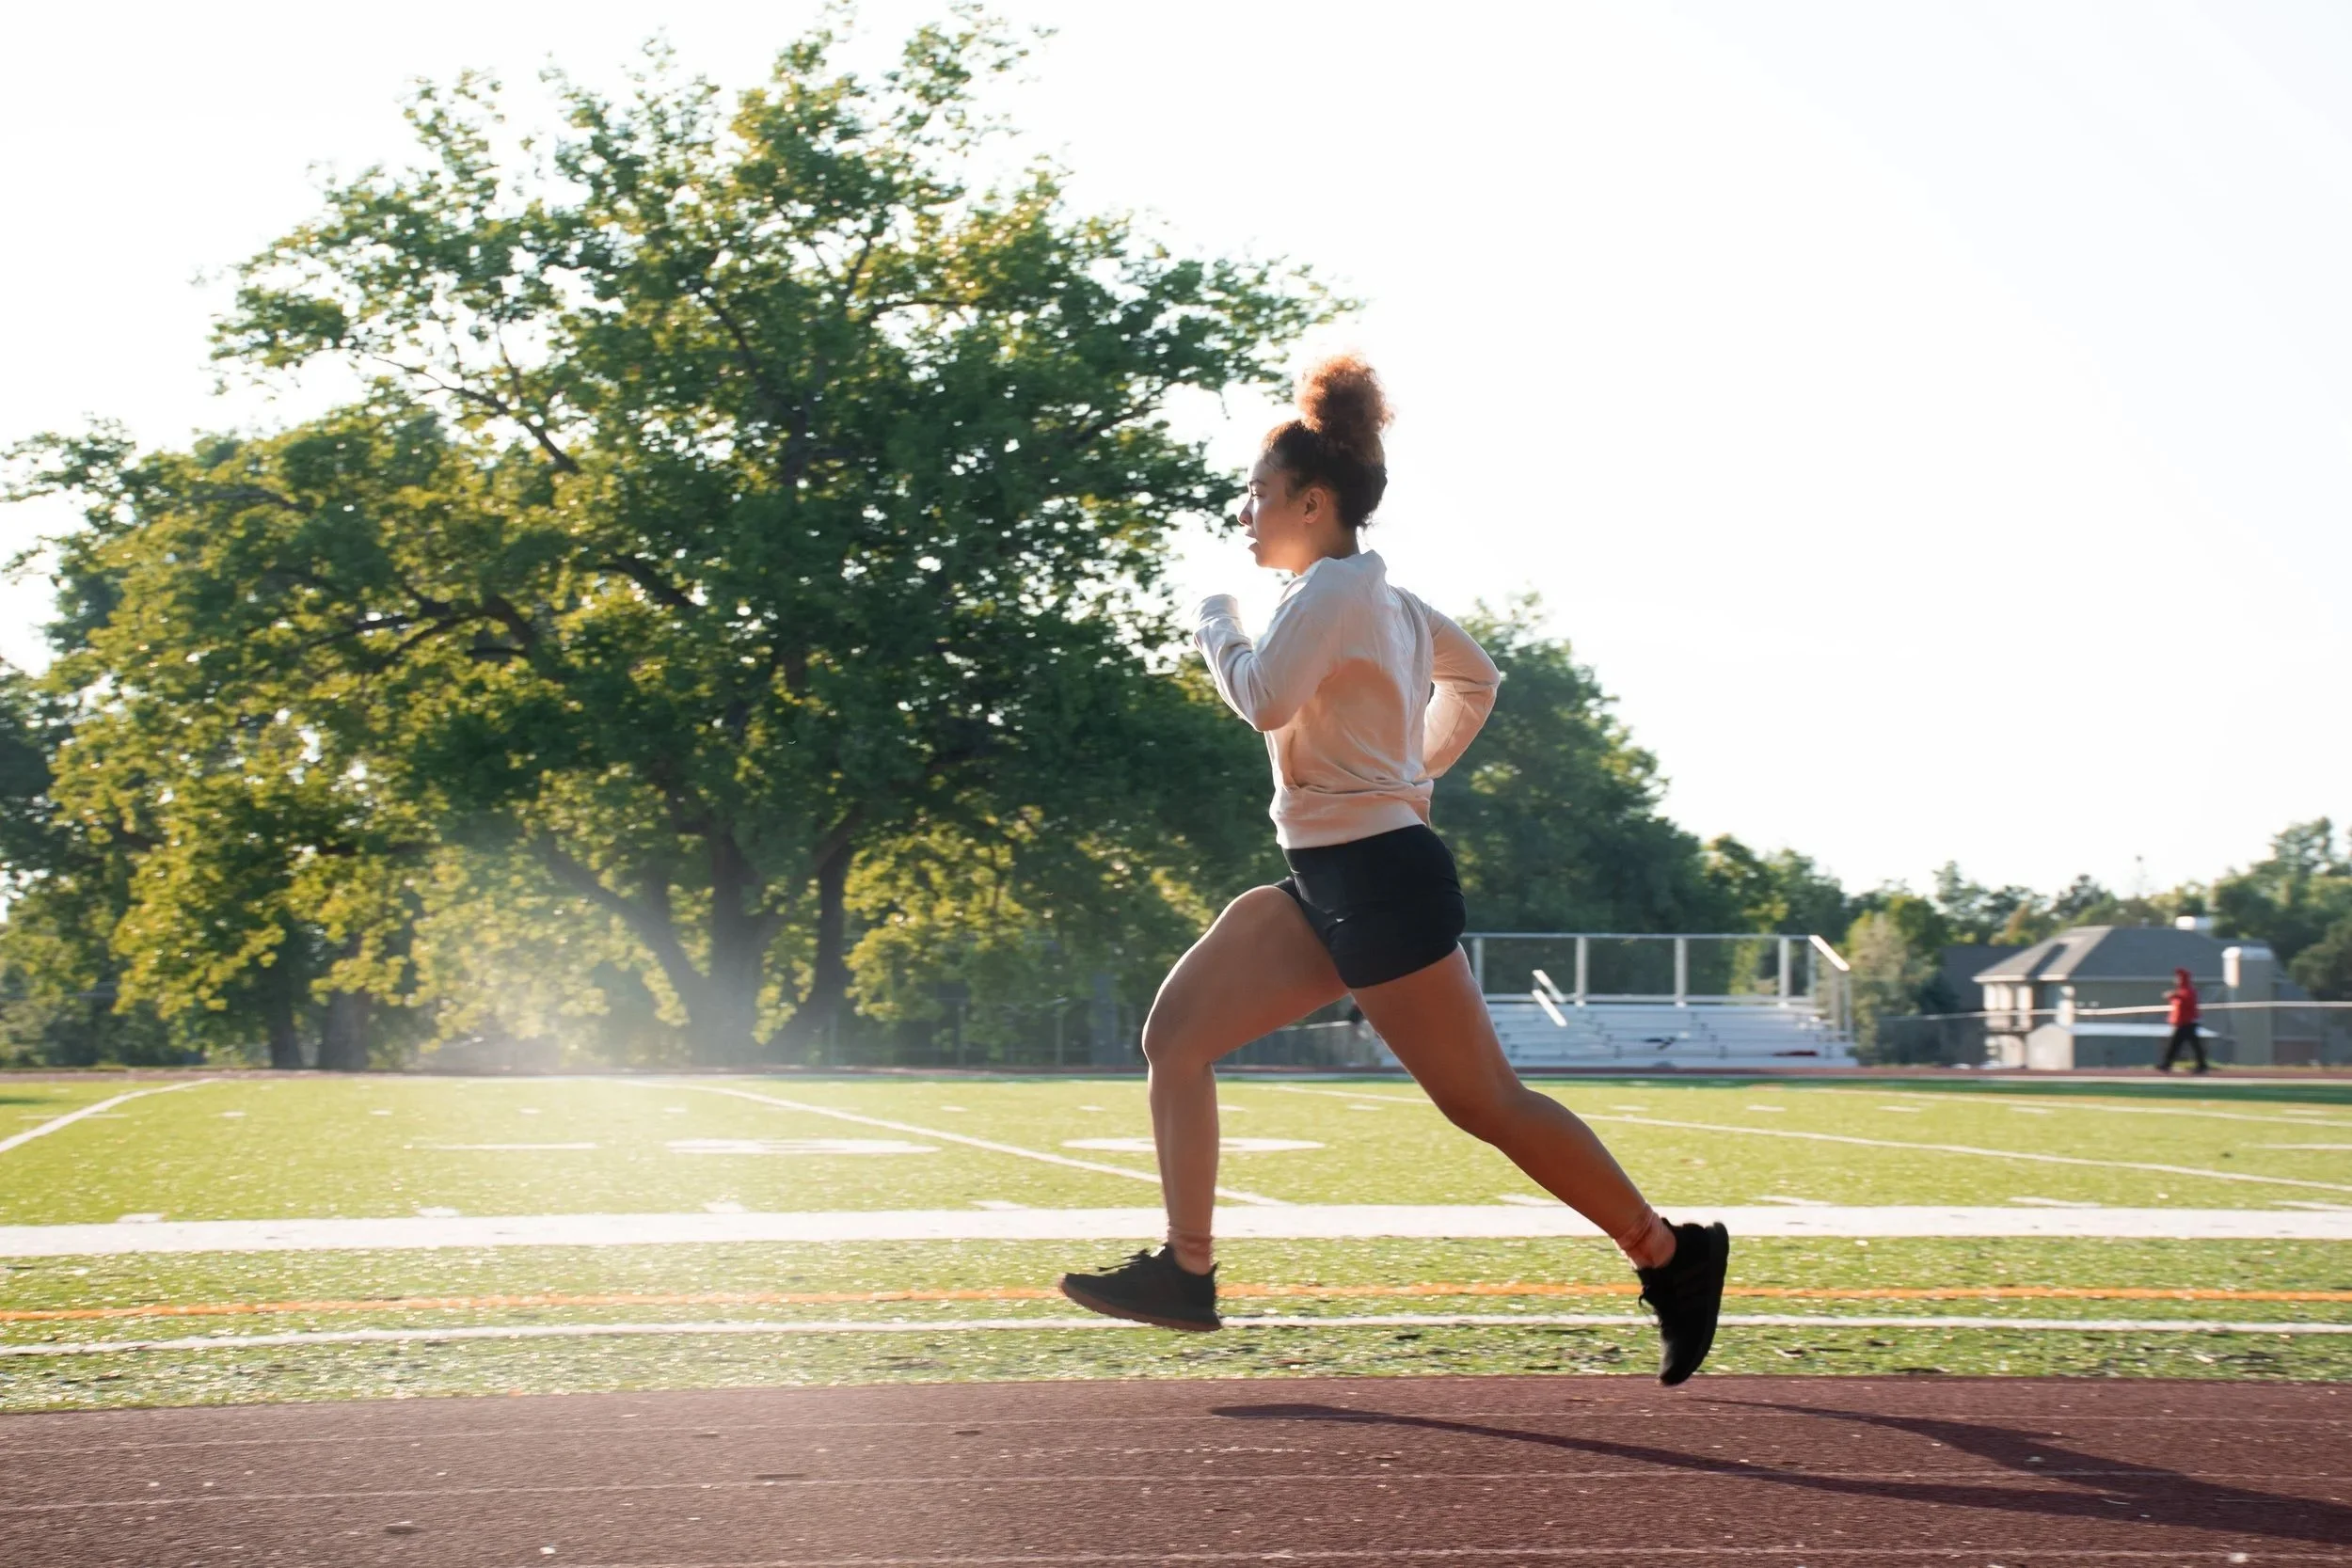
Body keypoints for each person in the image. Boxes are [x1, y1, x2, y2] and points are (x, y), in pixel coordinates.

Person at [1057, 356, 1729, 1386]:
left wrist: (1215, 624)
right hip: (1333, 876)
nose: (1244, 511)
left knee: (1486, 1103)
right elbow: (1477, 678)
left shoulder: (1333, 590)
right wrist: (1411, 771)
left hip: (1376, 879)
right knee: (1176, 1038)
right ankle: (1185, 1270)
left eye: (1258, 492)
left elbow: (1265, 697)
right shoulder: (1386, 601)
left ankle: (1668, 1253)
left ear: (1311, 502)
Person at [2157, 966, 2208, 1073]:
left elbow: (2186, 999)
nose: (2176, 980)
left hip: (2187, 1023)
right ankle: (2167, 1064)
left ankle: (2166, 1064)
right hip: (2182, 1023)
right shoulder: (2182, 991)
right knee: (2178, 1045)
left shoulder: (2187, 991)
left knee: (2179, 1045)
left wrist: (2174, 995)